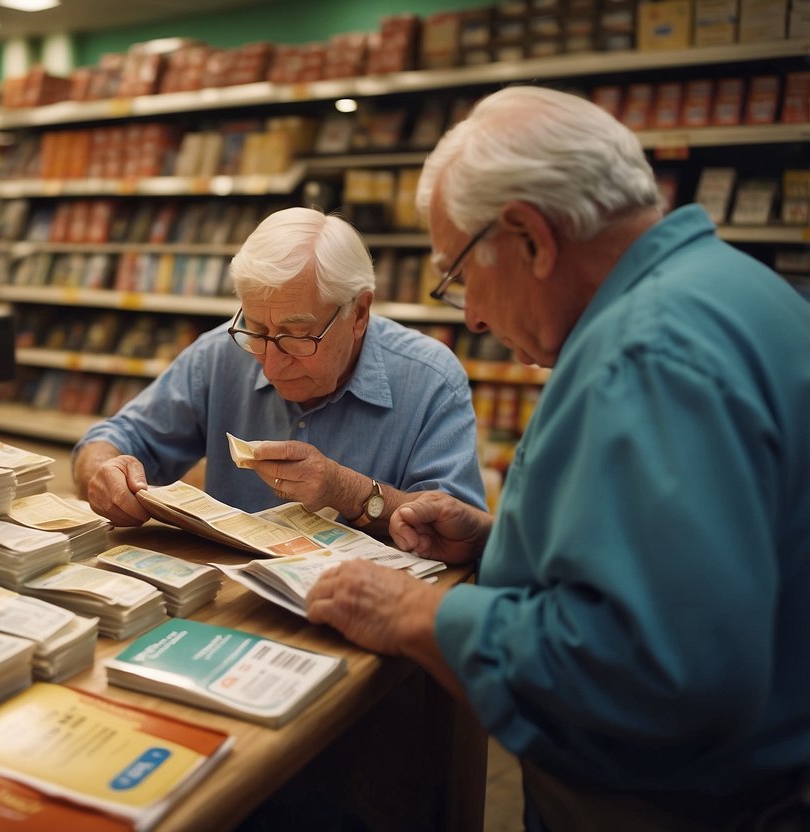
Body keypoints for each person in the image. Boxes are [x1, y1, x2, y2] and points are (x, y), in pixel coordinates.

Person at [306, 85, 810, 830]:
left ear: (529, 237)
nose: (471, 314)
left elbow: (655, 674)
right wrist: (502, 544)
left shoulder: (645, 356)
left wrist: (421, 613)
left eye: (459, 274)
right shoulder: (733, 292)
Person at [73, 206, 486, 533]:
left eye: (296, 336)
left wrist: (348, 492)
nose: (271, 365)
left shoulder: (431, 379)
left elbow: (459, 533)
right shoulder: (221, 352)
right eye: (256, 329)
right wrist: (104, 471)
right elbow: (114, 439)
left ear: (359, 312)